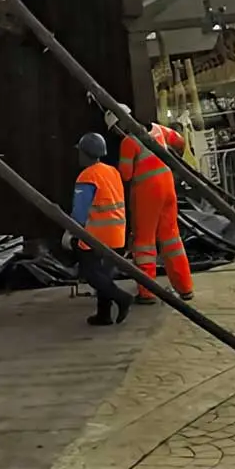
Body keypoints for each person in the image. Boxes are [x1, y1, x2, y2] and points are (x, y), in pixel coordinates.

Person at [121, 124, 195, 301]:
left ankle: (147, 292)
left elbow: (125, 174)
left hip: (147, 192)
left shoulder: (129, 141)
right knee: (172, 238)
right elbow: (179, 140)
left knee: (144, 242)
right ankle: (185, 287)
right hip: (168, 186)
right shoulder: (158, 129)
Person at [70, 131, 135, 326]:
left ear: (85, 153)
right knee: (104, 275)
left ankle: (122, 298)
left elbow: (80, 213)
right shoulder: (112, 171)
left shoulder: (87, 176)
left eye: (80, 152)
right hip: (117, 234)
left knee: (91, 273)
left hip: (96, 237)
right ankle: (103, 315)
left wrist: (70, 233)